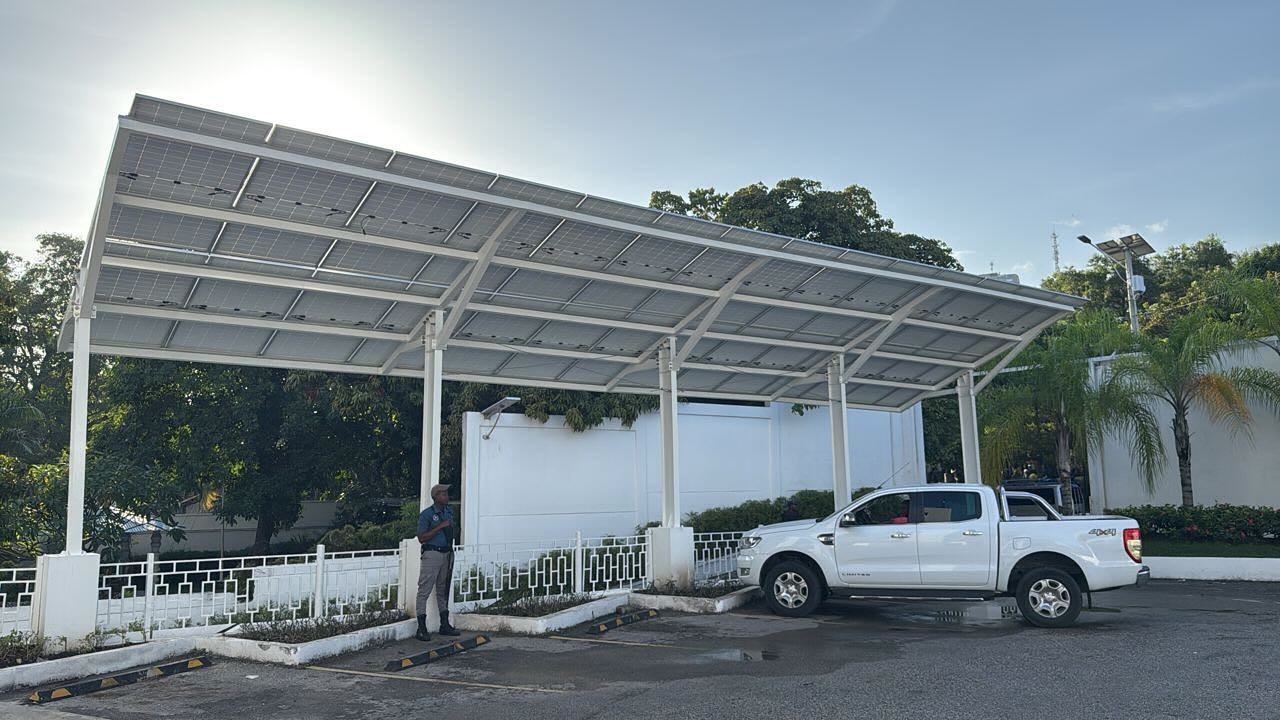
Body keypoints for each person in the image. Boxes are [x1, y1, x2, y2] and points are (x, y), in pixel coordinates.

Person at [415, 483, 461, 641]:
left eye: (447, 494)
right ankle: (421, 627)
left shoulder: (448, 512)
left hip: (446, 553)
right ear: (436, 497)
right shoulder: (427, 514)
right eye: (443, 494)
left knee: (443, 589)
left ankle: (444, 624)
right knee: (424, 589)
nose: (446, 496)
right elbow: (421, 537)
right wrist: (440, 526)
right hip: (432, 553)